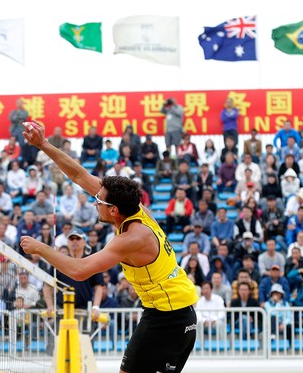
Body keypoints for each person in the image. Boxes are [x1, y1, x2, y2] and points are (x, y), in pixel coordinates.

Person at [20, 120, 198, 373]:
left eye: (98, 201)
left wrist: (41, 249)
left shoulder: (130, 239)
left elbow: (80, 271)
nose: (94, 203)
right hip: (171, 312)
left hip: (169, 318)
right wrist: (44, 144)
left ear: (113, 210)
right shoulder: (136, 210)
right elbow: (79, 175)